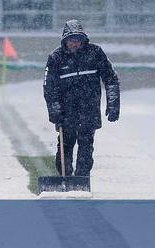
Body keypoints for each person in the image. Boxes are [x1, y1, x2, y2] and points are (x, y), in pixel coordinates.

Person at [43, 19, 120, 177]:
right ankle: (65, 177)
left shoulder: (96, 53)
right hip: (66, 114)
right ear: (65, 41)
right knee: (64, 149)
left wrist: (113, 105)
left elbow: (111, 79)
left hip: (89, 111)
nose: (74, 44)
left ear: (83, 40)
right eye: (71, 40)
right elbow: (49, 88)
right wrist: (55, 112)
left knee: (86, 149)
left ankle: (81, 180)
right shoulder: (55, 58)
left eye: (77, 40)